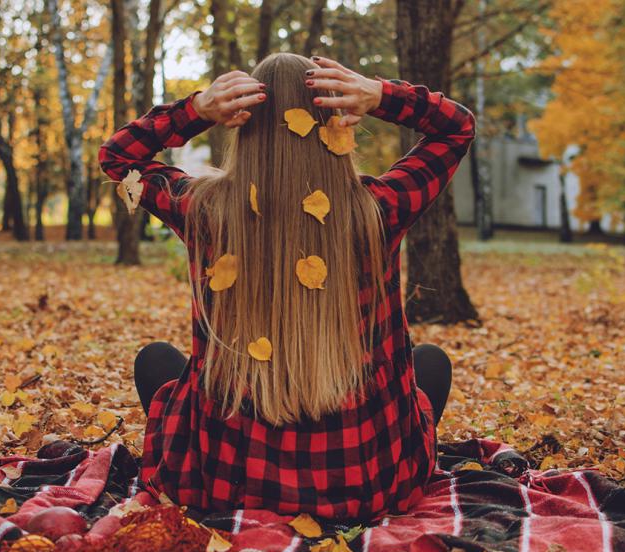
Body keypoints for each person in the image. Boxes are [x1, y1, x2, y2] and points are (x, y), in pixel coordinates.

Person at [98, 53, 475, 520]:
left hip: (226, 488)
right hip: (363, 491)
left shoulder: (204, 210)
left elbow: (117, 156)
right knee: (429, 363)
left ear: (242, 127)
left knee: (156, 360)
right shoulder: (379, 209)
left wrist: (196, 110)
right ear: (332, 123)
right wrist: (379, 95)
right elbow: (457, 128)